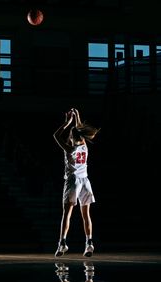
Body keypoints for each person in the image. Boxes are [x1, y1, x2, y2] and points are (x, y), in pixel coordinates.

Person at [53, 108, 100, 257]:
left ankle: (62, 244)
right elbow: (80, 130)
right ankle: (89, 243)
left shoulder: (69, 148)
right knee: (86, 215)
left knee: (66, 214)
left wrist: (67, 123)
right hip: (85, 181)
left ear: (71, 138)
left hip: (73, 181)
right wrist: (78, 116)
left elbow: (55, 135)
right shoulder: (84, 146)